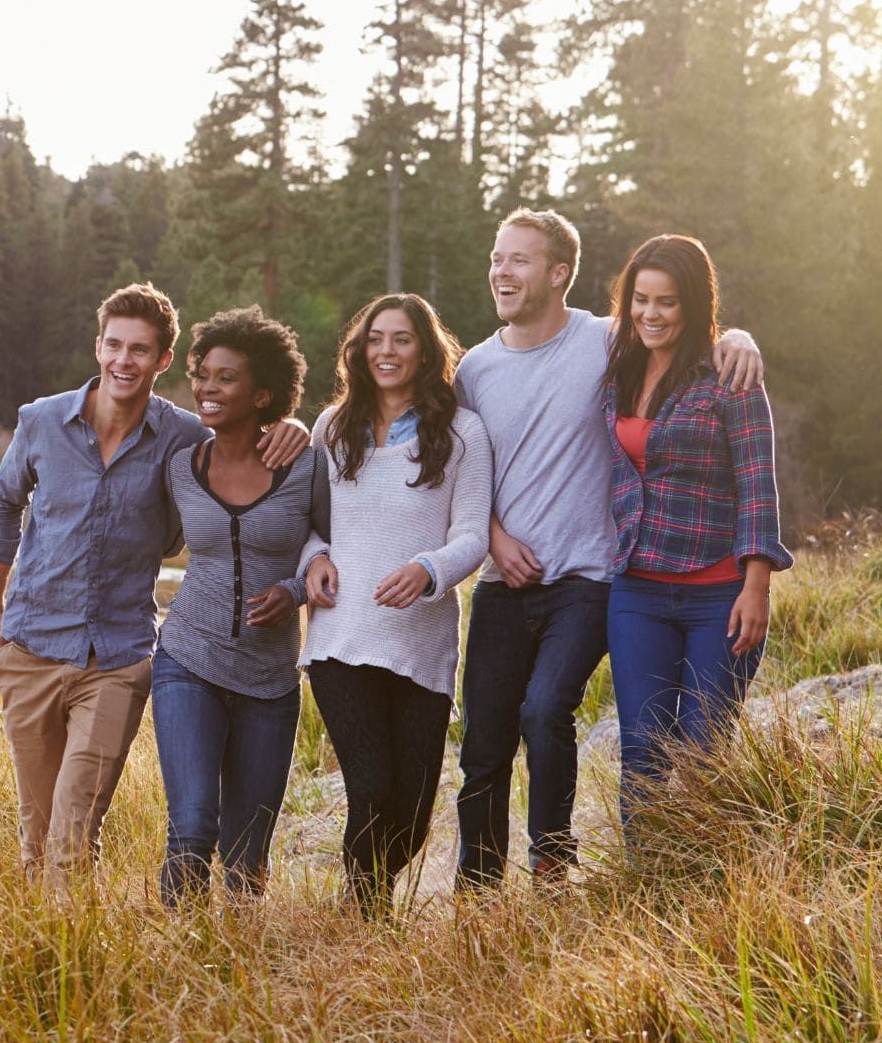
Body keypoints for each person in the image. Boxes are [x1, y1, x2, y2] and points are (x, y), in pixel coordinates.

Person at [454, 209, 764, 892]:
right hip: (507, 578)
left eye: (519, 260)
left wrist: (739, 337)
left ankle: (554, 864)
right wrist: (495, 539)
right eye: (496, 258)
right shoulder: (473, 369)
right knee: (483, 742)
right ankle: (477, 890)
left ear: (559, 273)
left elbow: (682, 325)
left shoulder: (606, 341)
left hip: (594, 575)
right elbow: (460, 473)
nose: (502, 271)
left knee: (546, 711)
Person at [0, 283, 307, 892]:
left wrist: (292, 423)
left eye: (140, 350)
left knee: (74, 830)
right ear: (98, 346)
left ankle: (71, 949)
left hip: (118, 658)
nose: (123, 360)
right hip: (28, 647)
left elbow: (242, 433)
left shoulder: (183, 435)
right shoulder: (42, 420)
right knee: (38, 827)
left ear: (161, 359)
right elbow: (1, 506)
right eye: (114, 345)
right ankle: (42, 959)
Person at [301, 293, 492, 916]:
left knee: (410, 818)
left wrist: (427, 569)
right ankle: (365, 922)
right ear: (359, 349)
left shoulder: (461, 432)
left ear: (426, 350)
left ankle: (362, 903)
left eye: (402, 339)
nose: (387, 351)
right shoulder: (331, 427)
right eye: (376, 338)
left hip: (421, 641)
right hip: (341, 635)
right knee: (372, 791)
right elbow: (306, 524)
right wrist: (314, 559)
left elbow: (473, 536)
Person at [602, 234, 792, 836]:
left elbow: (758, 483)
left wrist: (756, 586)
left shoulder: (729, 374)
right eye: (641, 299)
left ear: (694, 305)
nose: (651, 314)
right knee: (642, 752)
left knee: (705, 750)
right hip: (638, 591)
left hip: (719, 593)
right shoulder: (617, 368)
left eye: (668, 302)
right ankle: (646, 884)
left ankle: (709, 882)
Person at [152, 306, 330, 905]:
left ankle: (235, 974)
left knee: (248, 856)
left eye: (226, 377)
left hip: (269, 681)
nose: (207, 386)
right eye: (203, 374)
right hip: (186, 660)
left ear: (263, 395)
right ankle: (174, 962)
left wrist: (298, 588)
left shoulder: (306, 464)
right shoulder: (181, 467)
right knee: (193, 827)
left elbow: (334, 546)